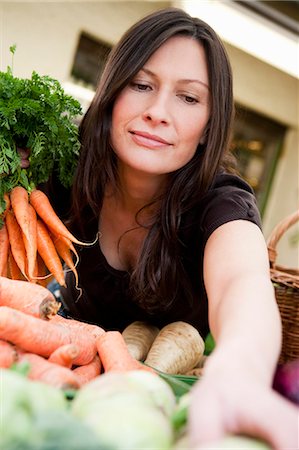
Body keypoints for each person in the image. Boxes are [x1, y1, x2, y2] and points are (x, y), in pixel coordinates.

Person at [20, 7, 298, 449]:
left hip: (158, 414)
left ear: (209, 125)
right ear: (113, 92)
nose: (157, 112)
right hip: (57, 380)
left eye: (188, 98)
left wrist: (239, 373)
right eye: (142, 85)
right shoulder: (61, 166)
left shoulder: (221, 201)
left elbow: (240, 286)